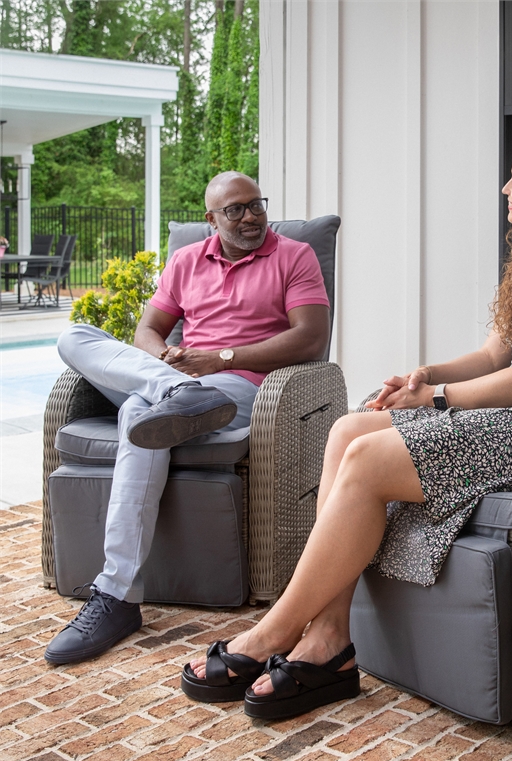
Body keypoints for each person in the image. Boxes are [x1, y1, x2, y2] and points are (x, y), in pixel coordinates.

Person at [181, 131, 512, 720]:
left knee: (369, 463)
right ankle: (330, 639)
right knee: (350, 428)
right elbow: (496, 357)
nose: (506, 188)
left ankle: (275, 632)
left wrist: (438, 400)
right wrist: (423, 378)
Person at [44, 171, 331, 665]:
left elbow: (311, 338)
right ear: (211, 219)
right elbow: (148, 329)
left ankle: (115, 596)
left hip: (240, 385)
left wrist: (218, 359)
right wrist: (165, 362)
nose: (250, 216)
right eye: (235, 210)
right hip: (182, 383)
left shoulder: (293, 256)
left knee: (137, 411)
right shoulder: (185, 260)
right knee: (75, 337)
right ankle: (175, 391)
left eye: (256, 204)